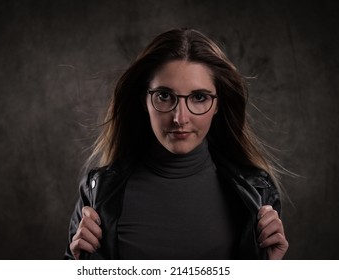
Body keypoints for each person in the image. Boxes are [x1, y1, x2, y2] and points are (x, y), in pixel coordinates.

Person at [64, 28, 289, 260]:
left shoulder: (257, 193)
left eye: (199, 97)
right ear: (144, 100)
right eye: (164, 96)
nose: (180, 118)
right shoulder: (98, 191)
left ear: (218, 104)